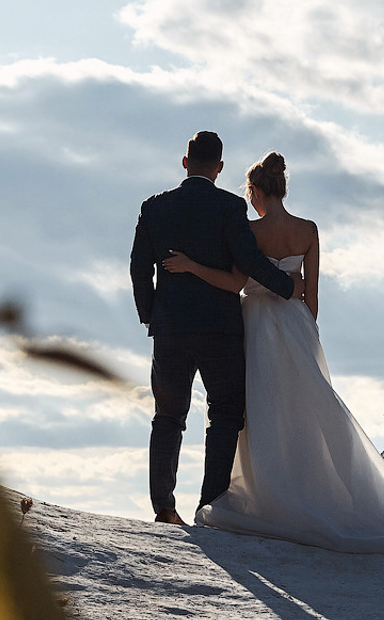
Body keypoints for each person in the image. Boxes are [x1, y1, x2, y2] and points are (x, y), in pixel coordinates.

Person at [158, 151, 384, 557]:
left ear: (255, 191)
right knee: (303, 410)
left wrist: (193, 267)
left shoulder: (248, 231)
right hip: (297, 325)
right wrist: (303, 332)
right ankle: (310, 488)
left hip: (256, 325)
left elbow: (236, 284)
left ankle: (265, 492)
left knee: (260, 411)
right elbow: (311, 295)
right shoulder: (308, 229)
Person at [129, 132, 302, 525]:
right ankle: (211, 506)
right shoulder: (229, 206)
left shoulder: (154, 207)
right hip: (220, 330)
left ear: (185, 162)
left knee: (168, 416)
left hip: (170, 328)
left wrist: (151, 315)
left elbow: (139, 269)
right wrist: (288, 287)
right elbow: (249, 259)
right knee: (224, 415)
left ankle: (164, 508)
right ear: (220, 168)